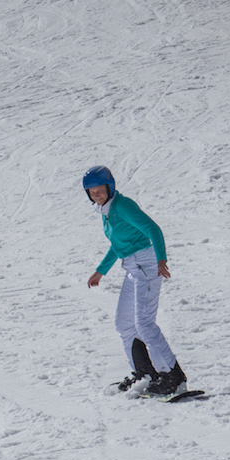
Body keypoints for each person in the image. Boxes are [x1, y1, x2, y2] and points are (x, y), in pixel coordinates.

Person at [82, 166, 187, 396]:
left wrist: (161, 259)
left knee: (145, 324)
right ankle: (146, 374)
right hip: (133, 267)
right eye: (92, 192)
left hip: (147, 266)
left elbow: (153, 229)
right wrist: (101, 271)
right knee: (123, 323)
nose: (97, 195)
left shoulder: (123, 206)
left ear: (110, 187)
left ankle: (174, 377)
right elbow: (118, 244)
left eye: (100, 190)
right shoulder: (107, 211)